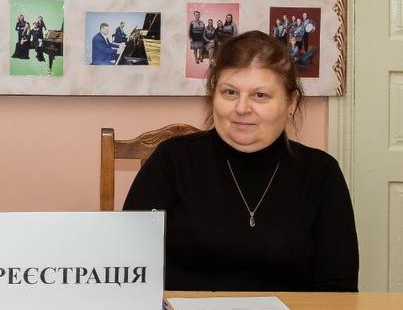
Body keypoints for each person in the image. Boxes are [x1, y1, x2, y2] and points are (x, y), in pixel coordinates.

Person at [123, 30, 358, 291]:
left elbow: (339, 290)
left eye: (260, 95)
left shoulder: (321, 173)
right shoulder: (172, 161)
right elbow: (125, 264)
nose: (242, 108)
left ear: (291, 102)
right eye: (230, 92)